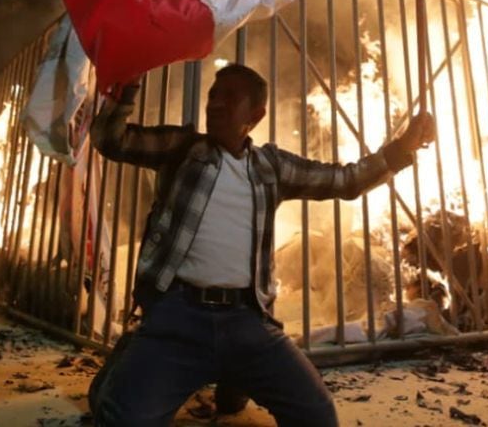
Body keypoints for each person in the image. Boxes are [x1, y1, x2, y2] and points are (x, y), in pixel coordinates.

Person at [88, 63, 435, 427]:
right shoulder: (182, 148)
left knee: (318, 417)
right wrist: (124, 92)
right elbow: (112, 140)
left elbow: (344, 181)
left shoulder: (271, 167)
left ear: (256, 115)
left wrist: (402, 148)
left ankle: (232, 377)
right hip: (178, 315)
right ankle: (141, 357)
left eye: (230, 97)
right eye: (213, 95)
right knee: (120, 419)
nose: (216, 104)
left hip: (247, 321)